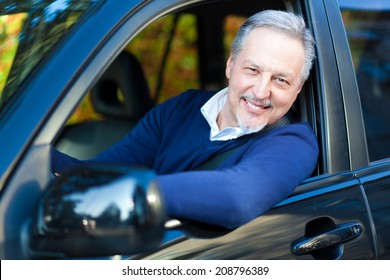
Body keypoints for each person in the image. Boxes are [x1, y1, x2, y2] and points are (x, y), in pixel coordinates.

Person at [51, 10, 319, 229]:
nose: (261, 91)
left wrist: (120, 191)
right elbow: (96, 173)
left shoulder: (294, 143)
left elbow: (239, 198)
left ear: (298, 89)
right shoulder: (182, 108)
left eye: (280, 80)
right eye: (252, 70)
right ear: (230, 65)